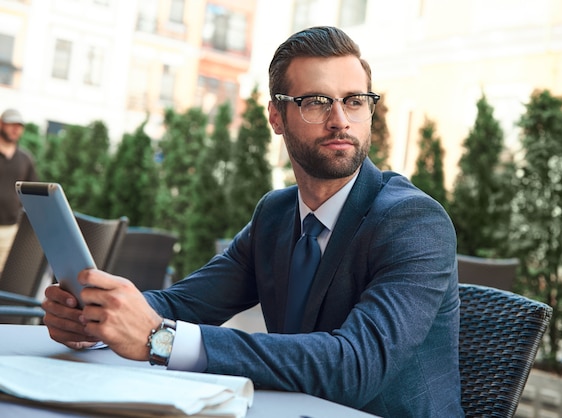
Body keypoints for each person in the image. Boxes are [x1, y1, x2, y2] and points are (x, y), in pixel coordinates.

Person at [42, 26, 464, 417]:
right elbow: (183, 304)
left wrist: (161, 340)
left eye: (355, 101)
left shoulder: (413, 221)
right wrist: (99, 320)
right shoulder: (276, 216)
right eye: (317, 101)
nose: (340, 120)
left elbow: (354, 367)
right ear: (276, 118)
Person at [0, 108, 38, 272]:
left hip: (10, 230)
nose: (16, 129)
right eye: (11, 124)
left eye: (19, 125)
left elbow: (32, 194)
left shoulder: (26, 158)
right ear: (1, 124)